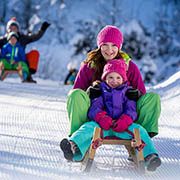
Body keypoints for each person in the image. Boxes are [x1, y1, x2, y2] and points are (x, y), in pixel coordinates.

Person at [60, 59, 161, 172]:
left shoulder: (128, 92)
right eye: (111, 77)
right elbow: (95, 108)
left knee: (140, 130)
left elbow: (131, 110)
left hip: (123, 127)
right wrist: (101, 117)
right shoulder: (100, 90)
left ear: (123, 79)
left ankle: (150, 156)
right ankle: (74, 146)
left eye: (118, 78)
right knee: (87, 128)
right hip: (102, 126)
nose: (114, 81)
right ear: (105, 78)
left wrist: (126, 120)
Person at [66, 25, 161, 138]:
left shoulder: (129, 67)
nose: (109, 50)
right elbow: (77, 94)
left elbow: (142, 96)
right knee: (74, 95)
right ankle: (77, 139)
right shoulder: (89, 66)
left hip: (125, 117)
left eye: (114, 45)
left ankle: (142, 139)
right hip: (96, 115)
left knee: (152, 98)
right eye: (105, 45)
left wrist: (135, 94)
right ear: (99, 46)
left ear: (119, 47)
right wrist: (89, 92)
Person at [0, 17, 51, 83]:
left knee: (34, 53)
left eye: (14, 28)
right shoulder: (3, 40)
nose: (13, 30)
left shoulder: (22, 38)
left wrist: (42, 30)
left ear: (18, 29)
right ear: (7, 30)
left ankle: (27, 76)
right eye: (11, 28)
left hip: (19, 61)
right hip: (6, 61)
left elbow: (35, 36)